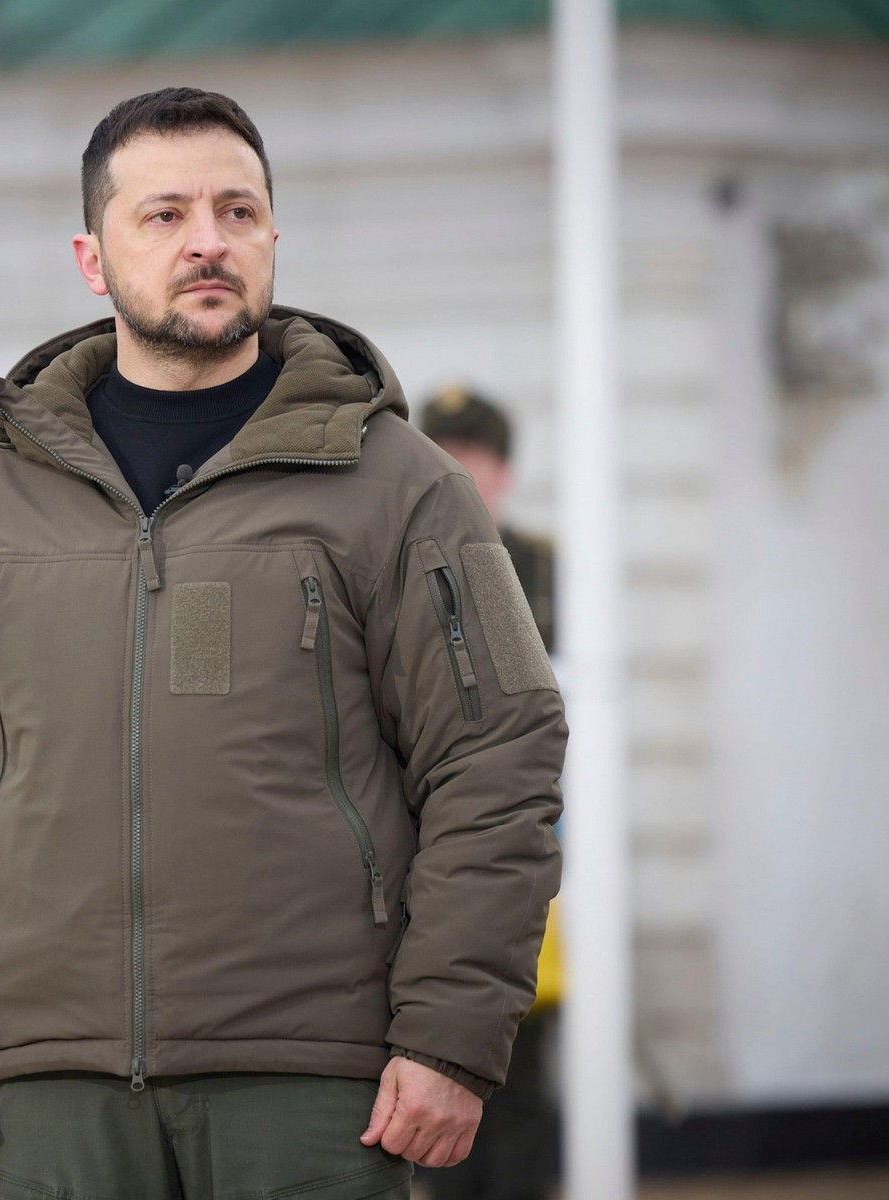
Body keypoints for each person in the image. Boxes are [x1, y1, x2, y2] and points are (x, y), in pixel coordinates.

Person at [0, 87, 566, 1200]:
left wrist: (449, 1035)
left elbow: (499, 761)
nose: (208, 242)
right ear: (93, 256)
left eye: (238, 211)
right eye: (165, 215)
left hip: (317, 1086)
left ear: (275, 235)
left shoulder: (405, 490)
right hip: (52, 1086)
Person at [418, 386, 563, 1200]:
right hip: (428, 853)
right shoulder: (397, 566)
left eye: (475, 457)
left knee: (524, 1062)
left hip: (526, 847)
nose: (462, 474)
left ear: (504, 472)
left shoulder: (533, 572)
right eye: (446, 456)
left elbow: (533, 716)